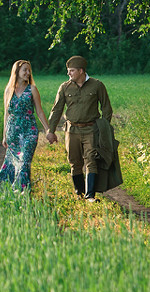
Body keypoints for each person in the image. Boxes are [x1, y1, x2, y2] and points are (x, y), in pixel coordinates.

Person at [45, 54, 113, 201]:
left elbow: (106, 108)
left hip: (91, 129)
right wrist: (51, 131)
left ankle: (90, 196)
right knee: (74, 161)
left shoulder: (97, 85)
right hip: (71, 130)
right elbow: (56, 110)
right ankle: (79, 193)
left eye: (72, 71)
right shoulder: (64, 87)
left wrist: (104, 128)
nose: (68, 74)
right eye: (68, 71)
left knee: (91, 160)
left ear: (81, 71)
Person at [0, 60, 50, 191]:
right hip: (12, 132)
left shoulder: (32, 89)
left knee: (24, 161)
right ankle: (5, 190)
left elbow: (40, 111)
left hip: (29, 131)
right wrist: (4, 136)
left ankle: (22, 192)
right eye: (25, 70)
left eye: (29, 70)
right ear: (17, 71)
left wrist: (48, 130)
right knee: (11, 162)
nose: (28, 73)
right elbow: (6, 114)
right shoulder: (8, 90)